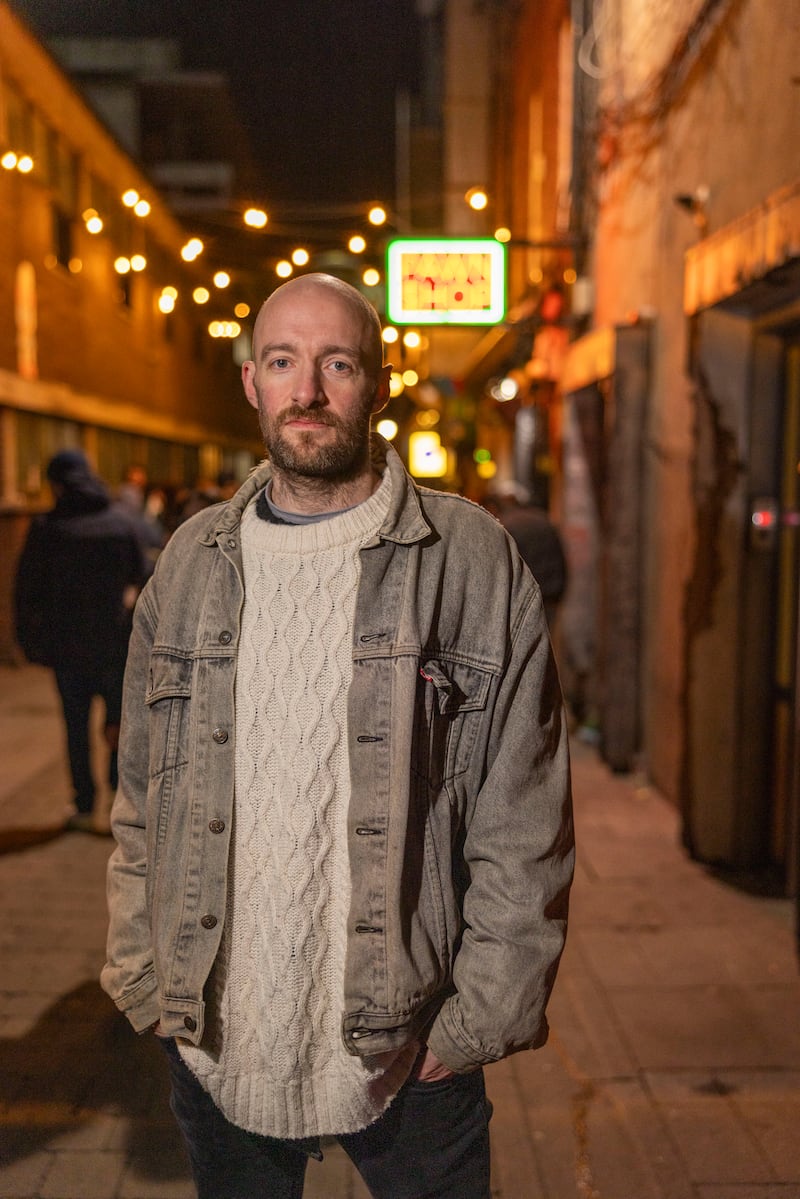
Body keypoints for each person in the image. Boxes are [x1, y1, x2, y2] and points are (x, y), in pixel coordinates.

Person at [101, 274, 574, 1199]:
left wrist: (479, 1016)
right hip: (216, 1040)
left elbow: (525, 813)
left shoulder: (469, 560)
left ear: (379, 382)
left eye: (336, 363)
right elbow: (142, 796)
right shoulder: (191, 563)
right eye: (282, 362)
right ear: (253, 383)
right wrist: (141, 973)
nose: (307, 389)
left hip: (412, 1044)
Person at [14, 449, 147, 832]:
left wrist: (30, 642)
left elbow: (27, 592)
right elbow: (143, 581)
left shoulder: (46, 530)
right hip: (116, 646)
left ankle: (84, 804)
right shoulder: (121, 524)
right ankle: (119, 800)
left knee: (75, 727)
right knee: (119, 725)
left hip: (67, 648)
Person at [490, 485, 567, 629]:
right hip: (549, 592)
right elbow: (560, 558)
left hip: (521, 595)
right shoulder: (543, 520)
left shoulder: (504, 524)